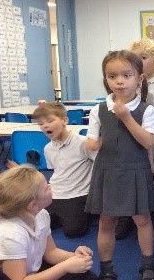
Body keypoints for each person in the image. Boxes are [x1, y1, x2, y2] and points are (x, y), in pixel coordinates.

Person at [84, 50, 154, 280]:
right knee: (106, 222)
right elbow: (90, 140)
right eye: (112, 76)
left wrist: (126, 117)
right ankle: (107, 268)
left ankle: (148, 265)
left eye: (126, 75)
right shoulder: (99, 109)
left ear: (139, 78)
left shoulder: (147, 109)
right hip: (107, 172)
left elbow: (148, 141)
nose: (119, 81)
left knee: (142, 220)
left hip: (136, 170)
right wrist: (92, 144)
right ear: (106, 79)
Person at [0, 166, 97, 280]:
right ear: (33, 205)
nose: (50, 186)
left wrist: (74, 257)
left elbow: (51, 253)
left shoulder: (41, 214)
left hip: (32, 271)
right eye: (46, 188)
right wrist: (66, 266)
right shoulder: (10, 236)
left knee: (85, 275)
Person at [114, 38, 154, 240]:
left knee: (149, 176)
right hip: (129, 132)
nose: (139, 61)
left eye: (144, 57)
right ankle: (127, 215)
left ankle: (147, 212)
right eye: (136, 58)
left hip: (153, 134)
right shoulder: (127, 79)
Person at [30, 102, 95, 238]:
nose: (45, 126)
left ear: (64, 120)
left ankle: (82, 213)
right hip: (55, 193)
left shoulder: (82, 143)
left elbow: (99, 165)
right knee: (33, 222)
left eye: (50, 121)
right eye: (41, 124)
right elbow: (56, 171)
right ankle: (64, 214)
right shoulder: (48, 148)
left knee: (73, 231)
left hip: (77, 194)